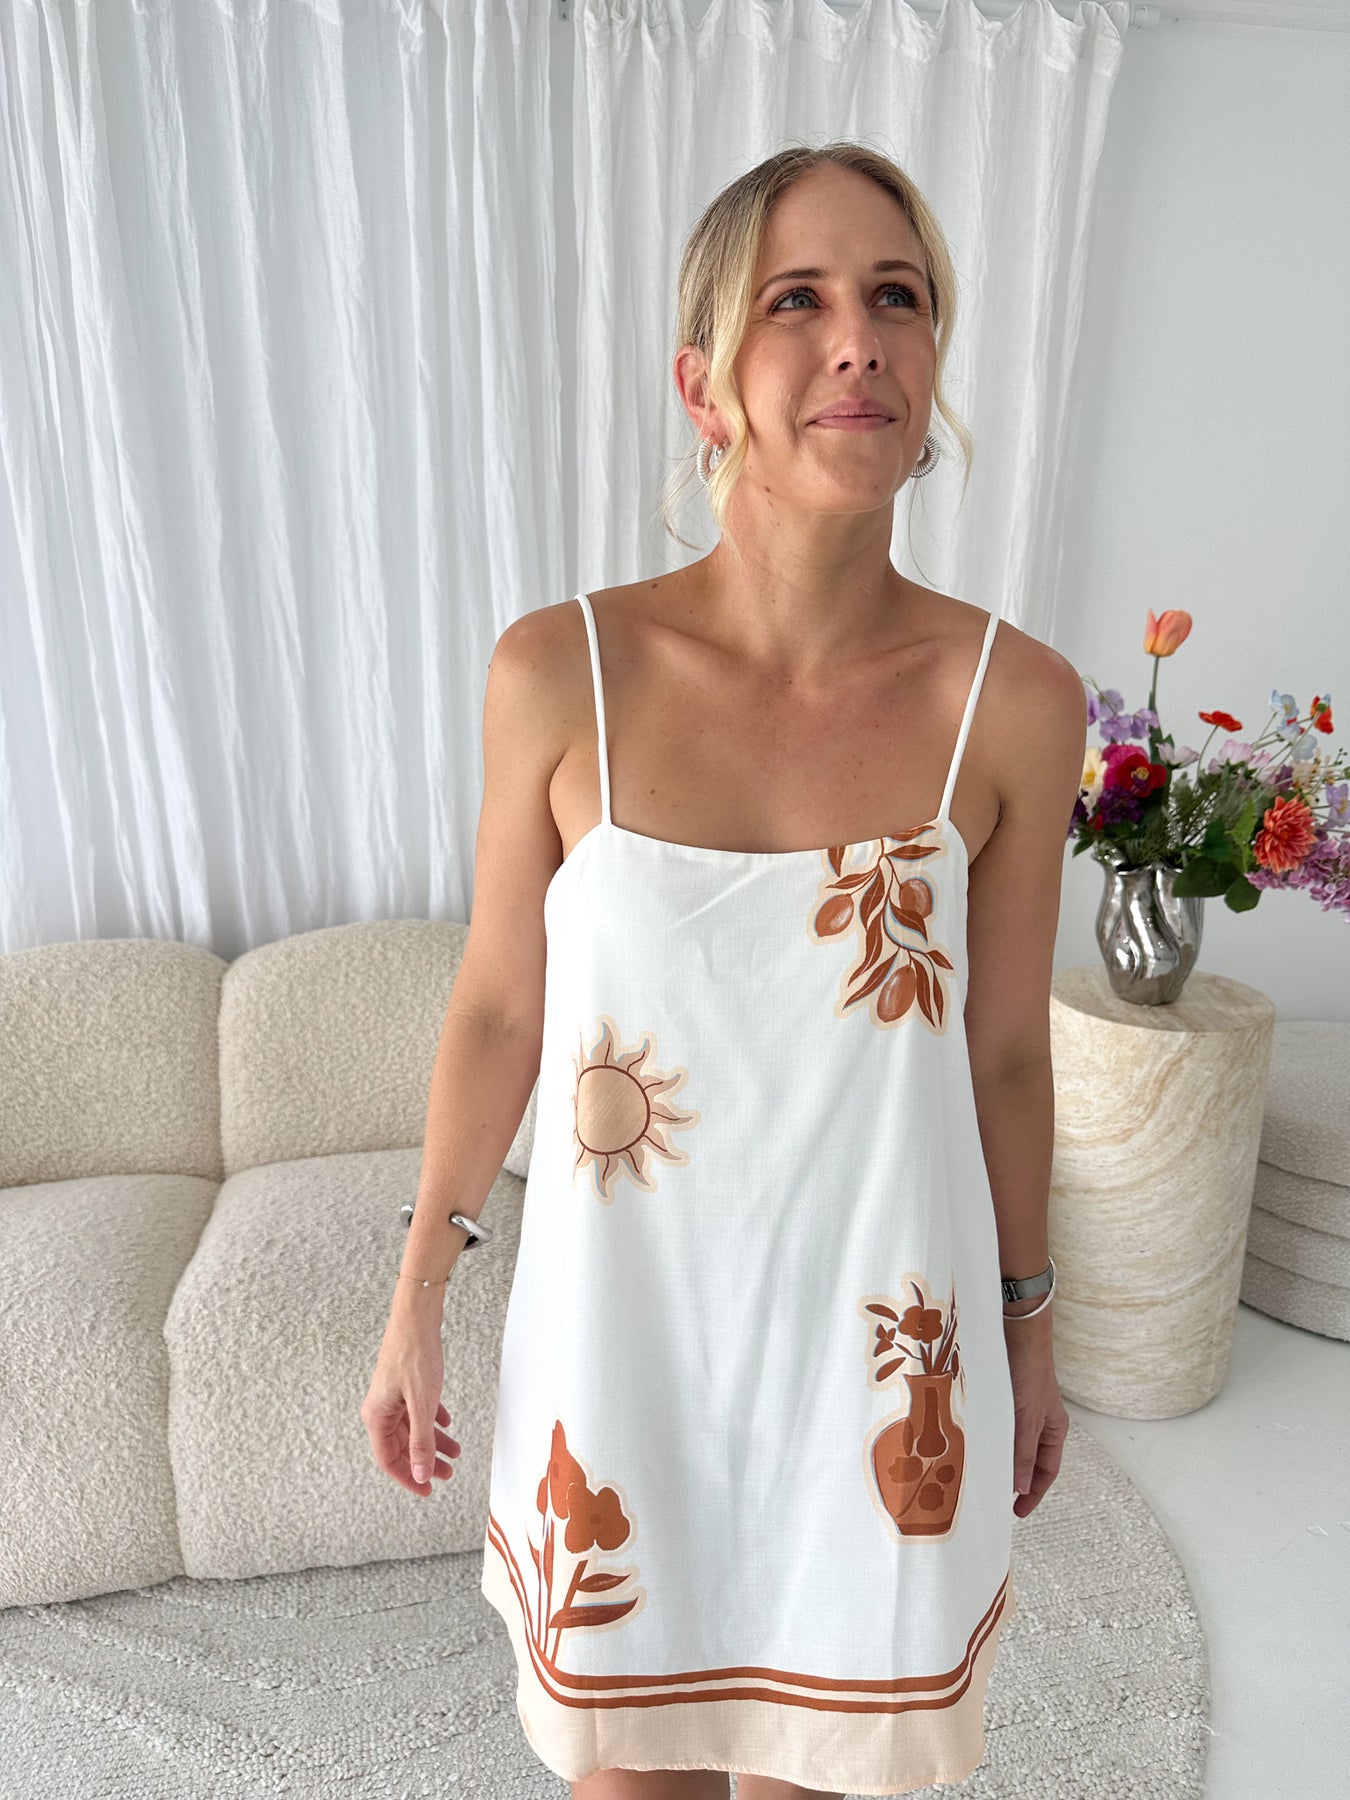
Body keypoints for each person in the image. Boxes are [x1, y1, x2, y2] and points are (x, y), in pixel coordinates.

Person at [362, 141, 1084, 1800]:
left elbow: (1001, 1059)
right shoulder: (560, 673)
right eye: (795, 301)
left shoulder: (1013, 702)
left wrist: (1031, 1333)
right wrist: (416, 1296)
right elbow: (500, 1007)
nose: (857, 340)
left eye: (896, 297)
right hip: (625, 1341)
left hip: (881, 1353)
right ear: (702, 384)